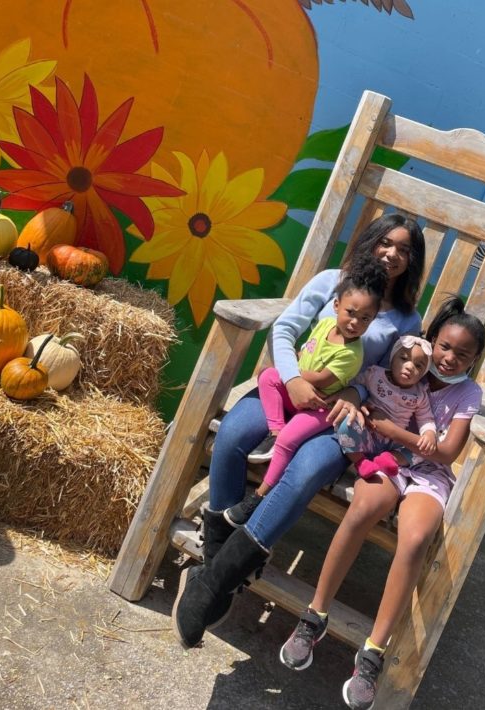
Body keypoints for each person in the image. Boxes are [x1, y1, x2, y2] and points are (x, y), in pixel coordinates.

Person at [171, 213, 426, 650]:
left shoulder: (406, 319)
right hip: (289, 390)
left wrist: (355, 394)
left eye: (406, 250)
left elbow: (393, 378)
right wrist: (291, 379)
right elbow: (286, 328)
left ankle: (210, 584)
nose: (393, 255)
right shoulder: (332, 280)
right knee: (233, 434)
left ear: (413, 262)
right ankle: (222, 575)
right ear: (371, 241)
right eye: (388, 242)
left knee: (306, 470)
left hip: (340, 414)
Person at [279, 296, 485, 710]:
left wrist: (397, 430)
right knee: (362, 509)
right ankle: (314, 616)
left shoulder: (469, 393)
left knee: (414, 541)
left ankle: (373, 650)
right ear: (432, 340)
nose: (448, 359)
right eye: (444, 347)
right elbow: (364, 380)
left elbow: (445, 453)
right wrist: (358, 400)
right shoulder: (408, 359)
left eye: (463, 354)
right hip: (384, 457)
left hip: (428, 473)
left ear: (474, 359)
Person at [223, 255, 388, 527]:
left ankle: (259, 495)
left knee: (290, 440)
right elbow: (304, 349)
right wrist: (292, 372)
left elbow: (322, 379)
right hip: (299, 391)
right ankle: (273, 432)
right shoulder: (324, 325)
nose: (355, 322)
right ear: (336, 306)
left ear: (371, 322)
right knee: (267, 376)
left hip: (320, 405)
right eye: (350, 313)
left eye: (365, 319)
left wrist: (294, 375)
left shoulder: (351, 352)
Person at [336, 334, 436, 481]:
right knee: (346, 424)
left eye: (418, 365)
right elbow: (353, 386)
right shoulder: (374, 374)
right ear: (392, 359)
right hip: (366, 433)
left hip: (394, 444)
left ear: (423, 373)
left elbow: (426, 418)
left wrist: (429, 434)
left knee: (422, 451)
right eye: (403, 358)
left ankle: (388, 460)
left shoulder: (420, 395)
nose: (409, 366)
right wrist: (358, 404)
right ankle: (360, 462)